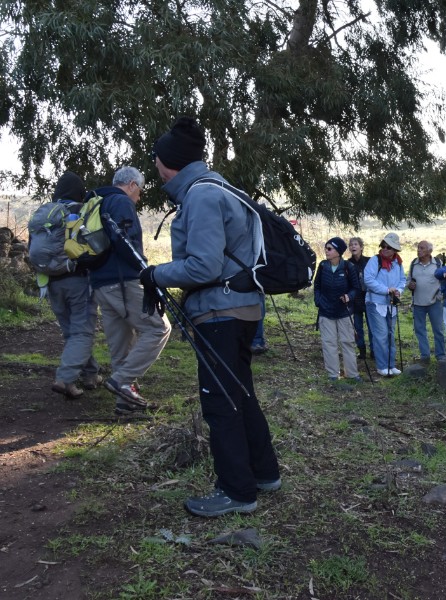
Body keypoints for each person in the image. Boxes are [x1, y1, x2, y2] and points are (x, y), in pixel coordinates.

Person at [145, 116, 280, 517]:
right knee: (241, 394)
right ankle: (264, 473)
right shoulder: (221, 187)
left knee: (220, 402)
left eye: (156, 162)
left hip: (219, 312)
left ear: (167, 162)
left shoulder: (201, 196)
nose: (155, 169)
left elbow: (203, 266)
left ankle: (237, 491)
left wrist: (153, 274)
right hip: (240, 308)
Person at [90, 166, 171, 415]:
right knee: (159, 328)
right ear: (133, 185)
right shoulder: (122, 202)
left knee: (121, 343)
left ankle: (125, 403)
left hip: (100, 282)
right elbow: (126, 242)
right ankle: (121, 381)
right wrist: (145, 271)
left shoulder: (98, 202)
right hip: (122, 280)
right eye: (140, 190)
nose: (139, 196)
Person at [37, 172, 102, 398]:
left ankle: (91, 374)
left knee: (71, 333)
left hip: (51, 282)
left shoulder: (48, 212)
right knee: (82, 333)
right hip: (77, 280)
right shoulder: (78, 211)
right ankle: (65, 380)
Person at [313, 237, 361, 381]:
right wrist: (319, 301)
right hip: (326, 311)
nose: (326, 251)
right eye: (326, 248)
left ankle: (352, 374)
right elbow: (317, 287)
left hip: (344, 311)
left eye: (329, 248)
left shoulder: (348, 267)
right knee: (329, 343)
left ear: (338, 252)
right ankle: (333, 374)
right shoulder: (322, 266)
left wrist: (348, 297)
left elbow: (356, 288)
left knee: (347, 342)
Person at [364, 233, 406, 376]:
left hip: (391, 303)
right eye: (384, 246)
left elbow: (402, 280)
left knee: (390, 334)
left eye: (389, 247)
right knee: (380, 334)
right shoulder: (375, 261)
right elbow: (368, 280)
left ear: (395, 250)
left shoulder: (398, 263)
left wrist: (399, 291)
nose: (386, 249)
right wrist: (386, 290)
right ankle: (382, 366)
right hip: (375, 302)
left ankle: (391, 364)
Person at [408, 240, 445, 363]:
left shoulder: (438, 264)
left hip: (434, 303)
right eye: (418, 248)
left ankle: (440, 356)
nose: (418, 250)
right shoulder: (414, 264)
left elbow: (443, 282)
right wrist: (410, 285)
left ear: (429, 251)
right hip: (418, 303)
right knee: (420, 330)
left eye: (422, 248)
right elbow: (408, 280)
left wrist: (439, 297)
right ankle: (425, 356)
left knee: (438, 330)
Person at [347, 237, 372, 359]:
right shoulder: (348, 263)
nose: (353, 247)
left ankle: (374, 350)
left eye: (356, 244)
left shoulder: (369, 261)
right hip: (355, 299)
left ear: (361, 247)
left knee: (372, 326)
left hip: (369, 297)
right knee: (357, 327)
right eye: (351, 245)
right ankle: (362, 350)